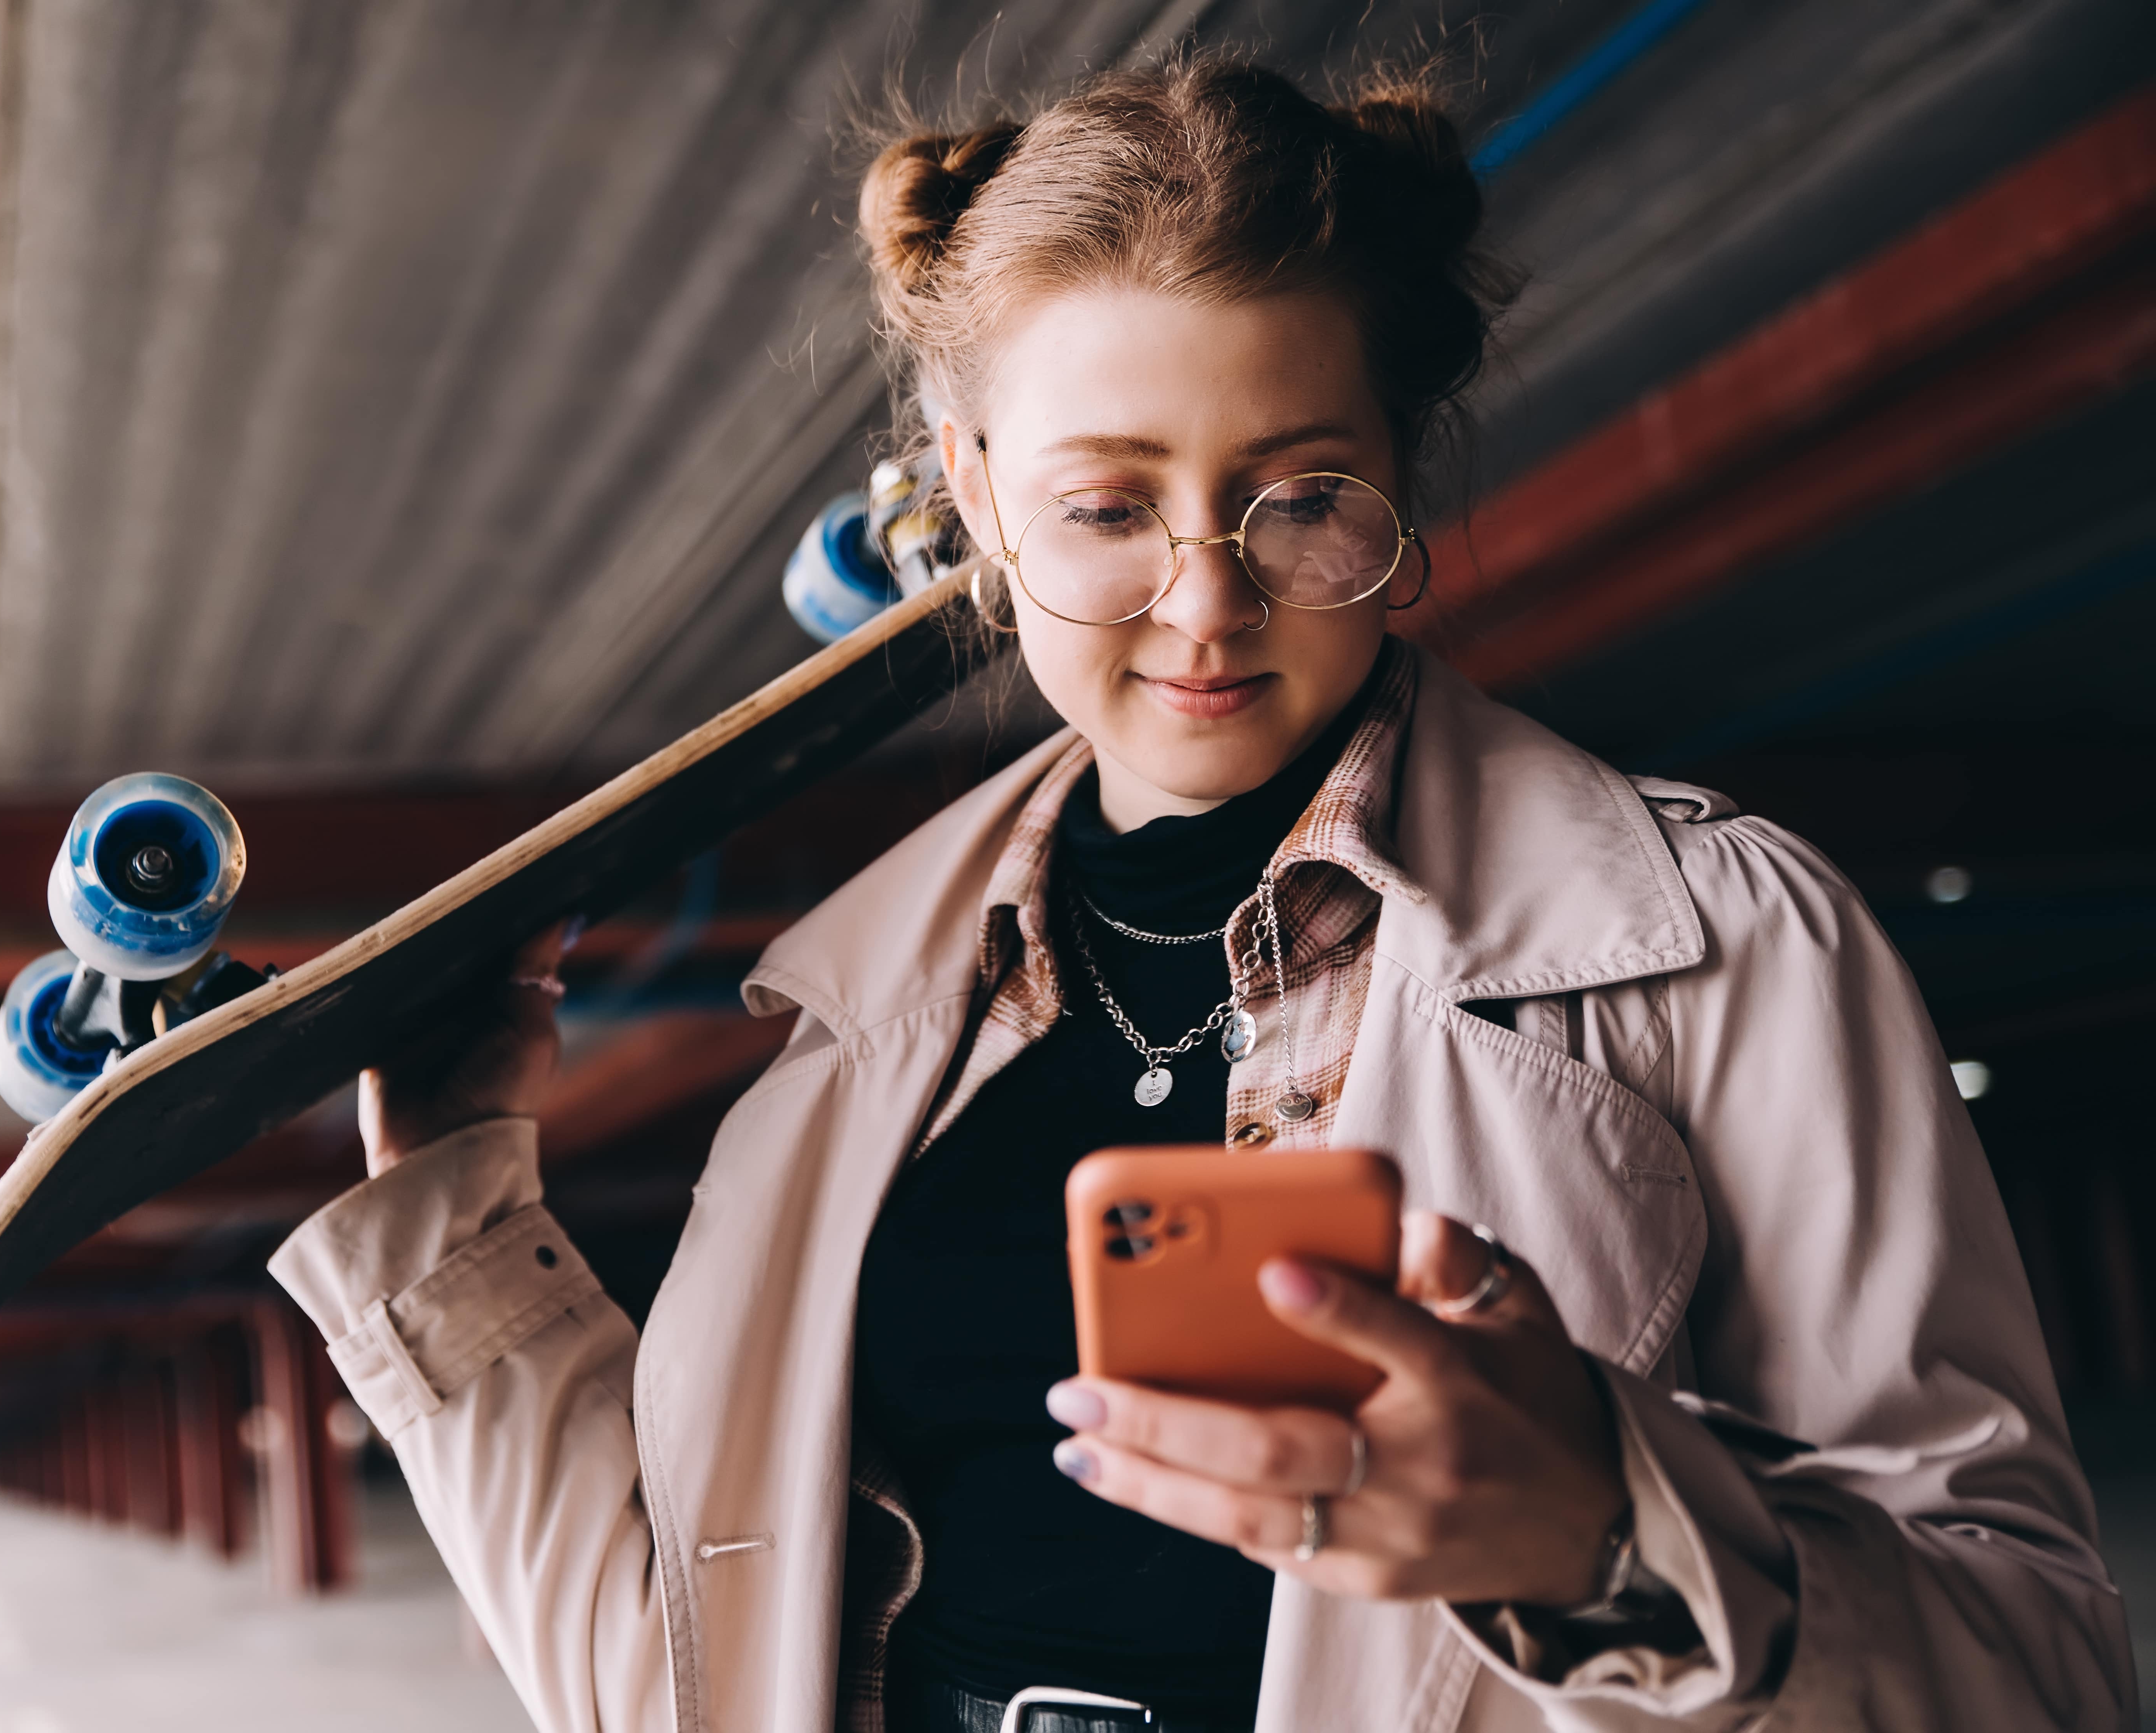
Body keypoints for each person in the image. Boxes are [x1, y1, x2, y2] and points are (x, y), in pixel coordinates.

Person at [269, 56, 2134, 1733]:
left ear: (1408, 474)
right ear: (976, 498)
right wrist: (445, 1197)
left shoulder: (1711, 944)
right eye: (1109, 508)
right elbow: (684, 1673)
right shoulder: (847, 1039)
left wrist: (1604, 1533)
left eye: (1304, 497)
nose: (1208, 603)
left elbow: (2033, 1669)